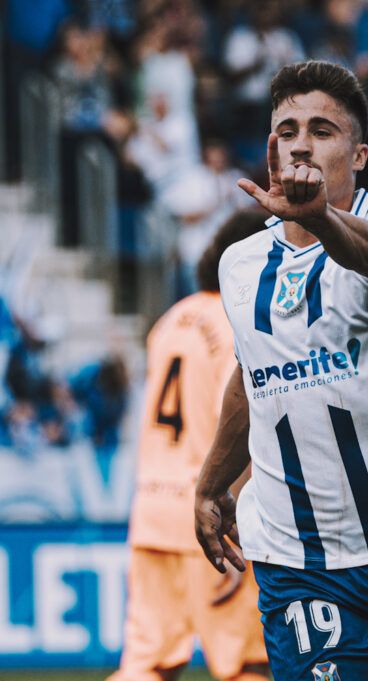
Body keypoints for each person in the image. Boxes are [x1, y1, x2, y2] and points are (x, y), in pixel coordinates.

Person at [194, 61, 368, 681]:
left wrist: (320, 218)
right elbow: (251, 374)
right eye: (287, 129)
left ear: (360, 153)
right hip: (295, 559)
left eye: (322, 129)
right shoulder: (240, 263)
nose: (301, 143)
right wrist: (212, 482)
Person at [109, 210, 270, 681]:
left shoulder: (170, 320)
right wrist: (240, 523)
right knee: (248, 662)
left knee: (150, 665)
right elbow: (238, 425)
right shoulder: (236, 324)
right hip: (209, 513)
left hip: (152, 515)